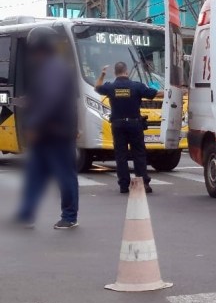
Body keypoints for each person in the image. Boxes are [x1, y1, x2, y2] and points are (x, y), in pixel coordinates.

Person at [14, 25, 80, 229]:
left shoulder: (53, 67)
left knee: (64, 175)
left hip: (56, 133)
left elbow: (52, 99)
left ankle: (69, 217)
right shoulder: (48, 67)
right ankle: (26, 214)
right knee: (35, 174)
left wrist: (34, 123)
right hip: (49, 132)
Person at [95, 62, 157, 194]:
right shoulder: (136, 86)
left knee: (121, 155)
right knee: (139, 154)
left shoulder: (111, 87)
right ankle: (142, 183)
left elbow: (97, 87)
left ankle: (124, 185)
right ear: (127, 72)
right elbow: (153, 93)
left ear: (115, 73)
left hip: (118, 125)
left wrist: (102, 74)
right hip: (134, 124)